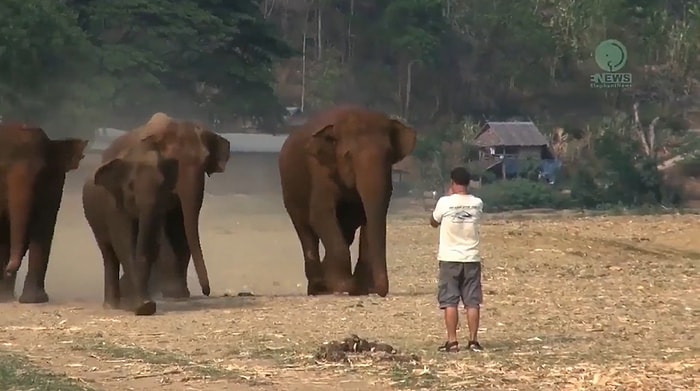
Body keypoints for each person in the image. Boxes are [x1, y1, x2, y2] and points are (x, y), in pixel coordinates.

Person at [430, 167, 484, 352]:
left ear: (452, 182)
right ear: (468, 183)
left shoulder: (444, 202)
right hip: (471, 258)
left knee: (450, 301)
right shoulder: (477, 203)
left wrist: (448, 197)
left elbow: (433, 221)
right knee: (472, 301)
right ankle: (473, 341)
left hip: (449, 258)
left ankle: (452, 341)